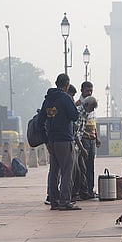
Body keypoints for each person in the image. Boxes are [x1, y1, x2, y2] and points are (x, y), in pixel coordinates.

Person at [37, 74, 80, 210]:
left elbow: (39, 122)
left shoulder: (47, 100)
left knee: (54, 171)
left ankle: (54, 200)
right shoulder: (65, 98)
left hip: (52, 140)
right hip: (65, 139)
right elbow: (75, 116)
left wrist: (46, 141)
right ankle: (65, 201)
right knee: (67, 171)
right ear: (67, 85)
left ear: (56, 83)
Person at [75, 81, 101, 197]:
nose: (89, 92)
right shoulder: (79, 106)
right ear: (82, 90)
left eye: (91, 90)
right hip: (83, 140)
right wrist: (85, 138)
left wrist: (96, 137)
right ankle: (82, 190)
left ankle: (89, 190)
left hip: (91, 139)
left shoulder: (91, 105)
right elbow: (78, 129)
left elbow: (93, 124)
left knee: (90, 165)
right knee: (83, 166)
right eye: (87, 90)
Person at [72, 96, 98, 201]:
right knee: (76, 170)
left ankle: (83, 192)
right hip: (75, 145)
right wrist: (82, 148)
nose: (92, 110)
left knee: (82, 168)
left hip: (78, 146)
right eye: (92, 108)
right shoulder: (79, 113)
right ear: (86, 105)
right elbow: (75, 134)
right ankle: (74, 193)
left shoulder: (85, 114)